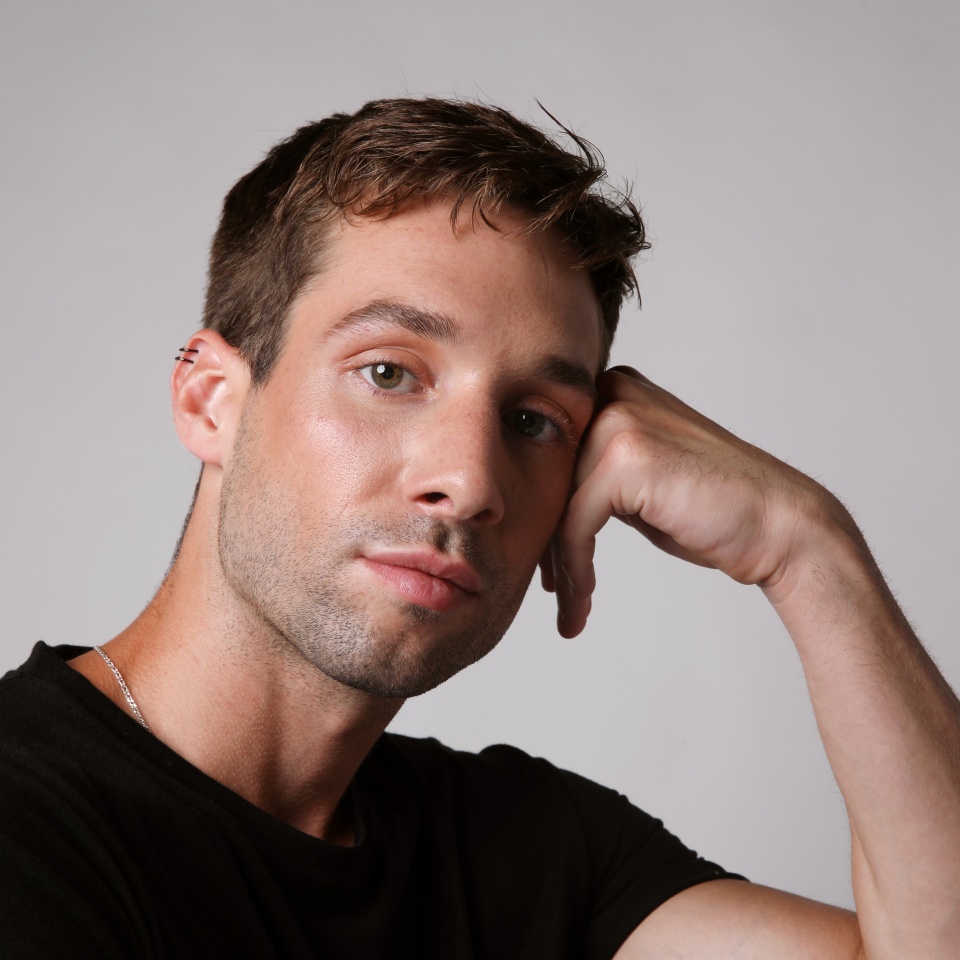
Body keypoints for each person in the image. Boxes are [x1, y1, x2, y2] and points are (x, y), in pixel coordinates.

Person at [1, 97, 957, 959]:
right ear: (212, 401)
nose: (469, 482)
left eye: (535, 420)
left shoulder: (530, 852)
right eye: (388, 372)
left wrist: (807, 547)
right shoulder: (30, 828)